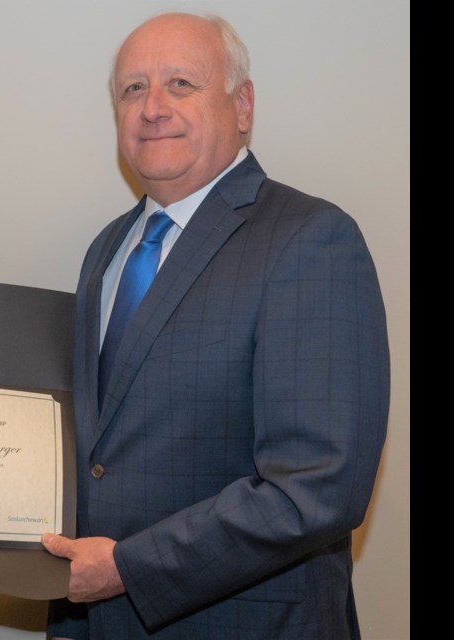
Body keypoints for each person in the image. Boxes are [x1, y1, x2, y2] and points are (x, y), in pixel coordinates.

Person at [42, 12, 389, 639]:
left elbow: (316, 487)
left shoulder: (311, 239)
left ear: (243, 104)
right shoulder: (107, 250)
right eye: (132, 89)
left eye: (180, 84)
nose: (152, 108)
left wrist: (127, 568)